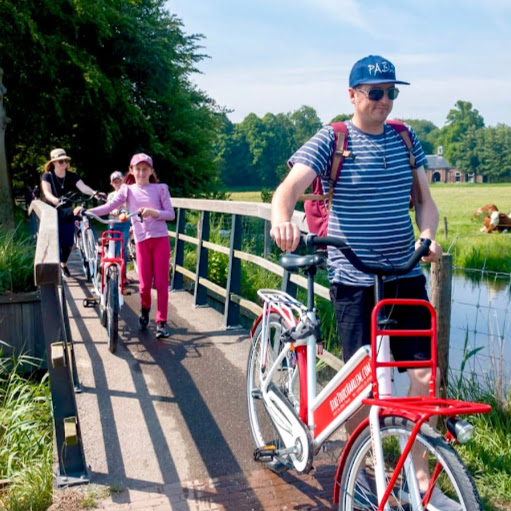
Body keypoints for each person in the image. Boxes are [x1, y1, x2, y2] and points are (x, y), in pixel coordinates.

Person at [270, 55, 457, 509]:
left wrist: (427, 236)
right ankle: (368, 460)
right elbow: (288, 191)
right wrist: (282, 221)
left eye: (392, 92)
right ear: (353, 95)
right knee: (363, 383)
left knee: (424, 375)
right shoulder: (332, 139)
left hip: (405, 272)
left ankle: (415, 472)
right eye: (376, 93)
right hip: (353, 276)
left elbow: (425, 203)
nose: (385, 101)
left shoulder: (405, 137)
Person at [76, 153, 175, 339]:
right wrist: (86, 211)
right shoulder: (127, 190)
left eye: (145, 169)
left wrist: (154, 212)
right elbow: (109, 206)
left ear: (151, 171)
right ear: (131, 170)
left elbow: (170, 214)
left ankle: (162, 322)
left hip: (160, 238)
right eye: (137, 169)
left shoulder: (161, 188)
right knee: (144, 285)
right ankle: (145, 309)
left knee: (161, 283)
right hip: (141, 240)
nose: (141, 172)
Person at [40, 148, 104, 277]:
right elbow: (47, 192)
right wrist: (55, 200)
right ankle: (56, 267)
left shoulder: (72, 175)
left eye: (65, 161)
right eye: (60, 161)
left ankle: (63, 263)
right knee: (55, 241)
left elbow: (83, 187)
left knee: (69, 242)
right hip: (53, 212)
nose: (63, 163)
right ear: (53, 163)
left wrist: (94, 193)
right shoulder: (48, 176)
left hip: (67, 212)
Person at [107, 170, 131, 285]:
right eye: (115, 182)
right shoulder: (111, 195)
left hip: (124, 223)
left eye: (119, 181)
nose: (117, 184)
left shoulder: (128, 194)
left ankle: (123, 274)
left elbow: (129, 208)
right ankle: (112, 271)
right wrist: (113, 210)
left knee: (122, 248)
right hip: (113, 223)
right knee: (112, 247)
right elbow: (109, 208)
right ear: (112, 184)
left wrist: (124, 212)